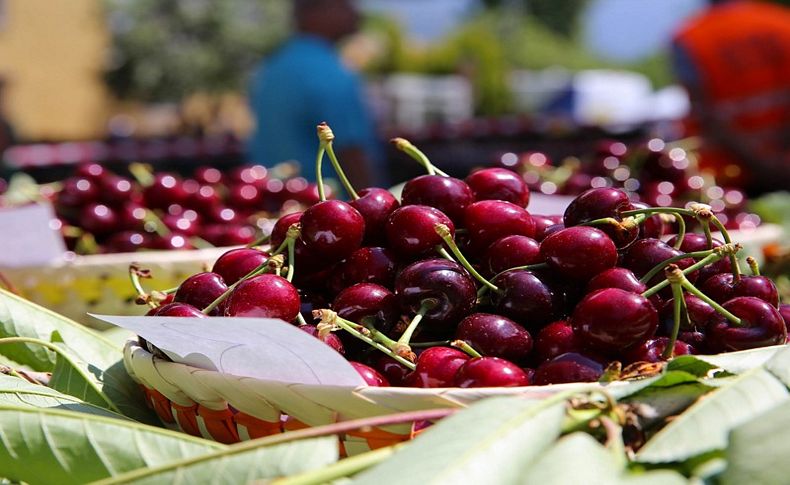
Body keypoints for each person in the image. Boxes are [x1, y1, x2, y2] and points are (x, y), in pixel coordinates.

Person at [247, 0, 383, 188]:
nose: (356, 12)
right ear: (314, 12)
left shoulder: (273, 66)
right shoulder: (328, 71)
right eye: (344, 5)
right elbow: (352, 152)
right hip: (328, 208)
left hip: (277, 204)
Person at [671, 0, 790, 193]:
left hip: (730, 178)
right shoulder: (782, 21)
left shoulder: (690, 37)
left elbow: (706, 115)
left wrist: (762, 165)